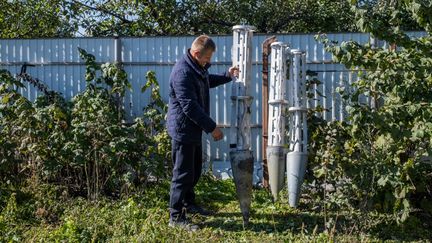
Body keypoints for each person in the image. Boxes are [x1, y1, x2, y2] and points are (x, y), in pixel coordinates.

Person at [166, 35, 238, 231]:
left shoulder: (196, 68)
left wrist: (226, 75)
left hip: (193, 129)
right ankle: (176, 217)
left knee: (194, 170)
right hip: (183, 130)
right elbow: (189, 107)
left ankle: (189, 204)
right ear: (196, 53)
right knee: (182, 174)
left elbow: (206, 80)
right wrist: (212, 127)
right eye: (207, 58)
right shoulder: (182, 72)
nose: (209, 62)